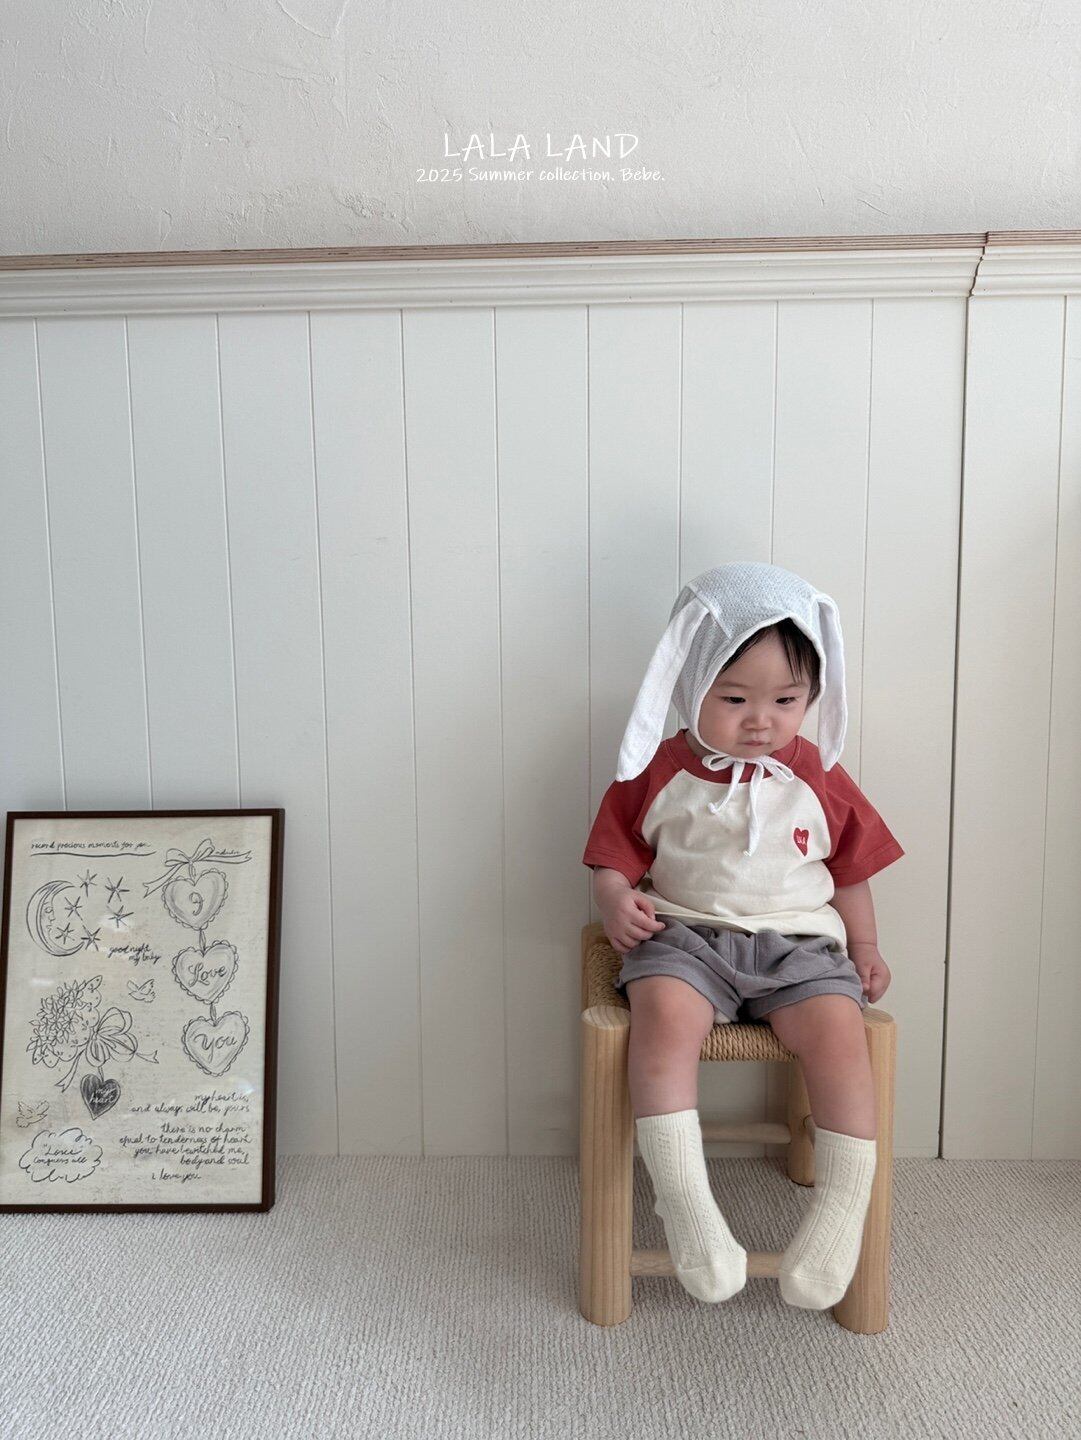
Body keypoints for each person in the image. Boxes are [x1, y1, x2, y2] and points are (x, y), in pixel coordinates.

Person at [582, 562, 905, 1310]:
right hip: (685, 939)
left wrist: (863, 949)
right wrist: (615, 899)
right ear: (689, 684)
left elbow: (851, 871)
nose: (761, 720)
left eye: (786, 700)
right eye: (734, 699)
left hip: (799, 948)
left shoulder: (816, 773)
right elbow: (612, 855)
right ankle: (686, 1204)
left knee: (839, 1037)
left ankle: (839, 1211)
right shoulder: (656, 768)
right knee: (661, 1021)